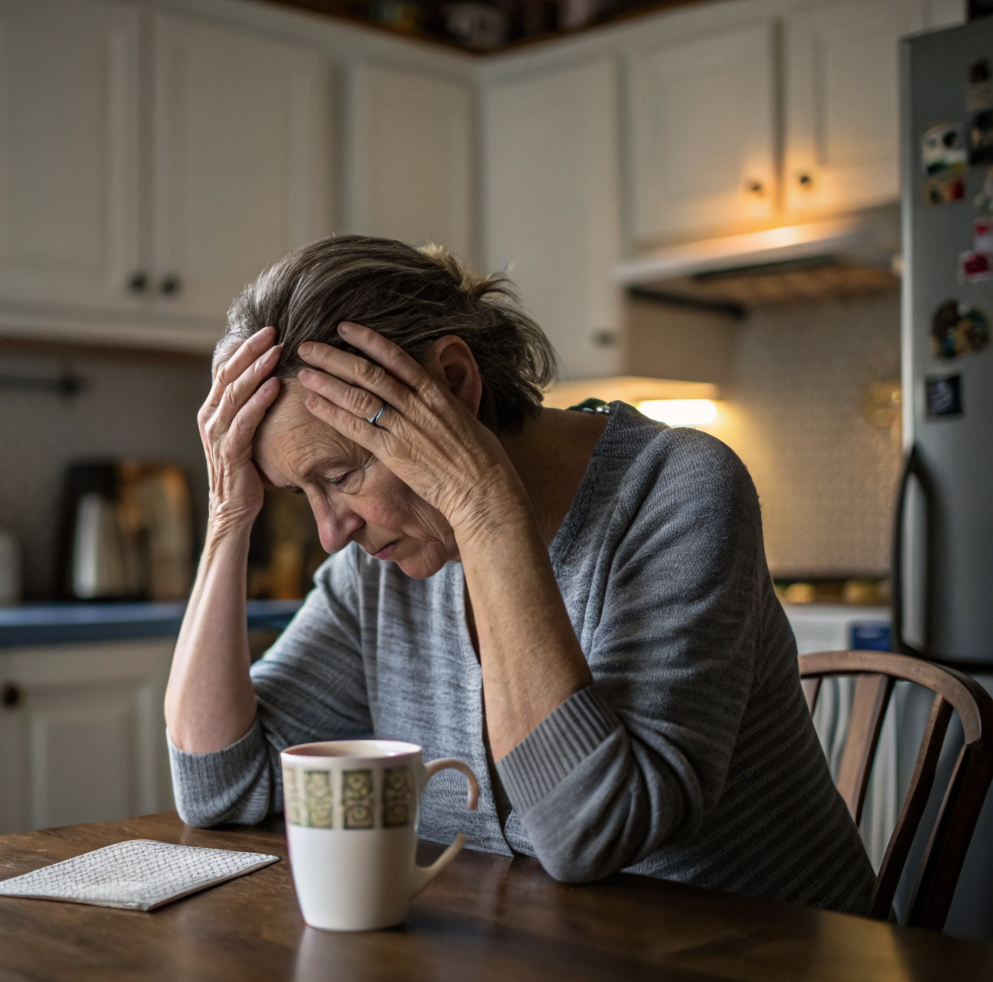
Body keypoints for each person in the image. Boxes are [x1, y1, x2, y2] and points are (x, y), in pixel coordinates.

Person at [164, 235, 875, 913]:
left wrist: (484, 509)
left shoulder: (679, 489)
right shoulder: (384, 561)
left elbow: (587, 834)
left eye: (343, 474)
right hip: (545, 969)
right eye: (300, 493)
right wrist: (228, 516)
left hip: (769, 972)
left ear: (452, 382)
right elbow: (218, 786)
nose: (330, 532)